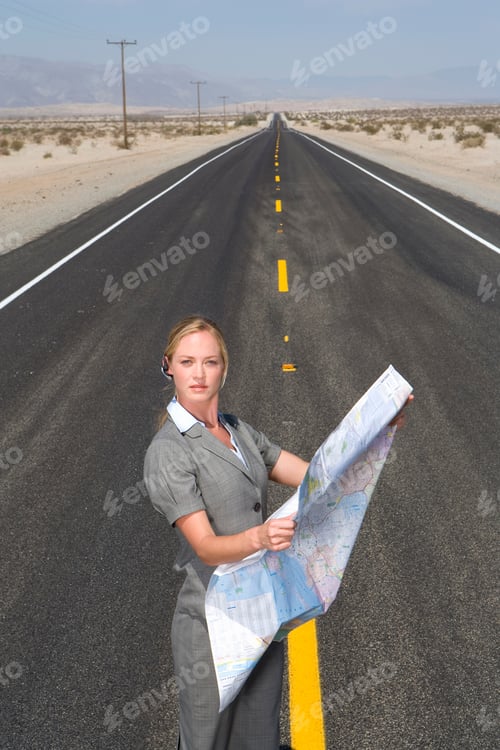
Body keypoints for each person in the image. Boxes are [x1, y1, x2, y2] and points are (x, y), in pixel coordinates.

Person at [144, 315, 411, 750]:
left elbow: (317, 479)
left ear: (223, 369)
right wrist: (261, 538)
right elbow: (206, 547)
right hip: (212, 627)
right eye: (187, 361)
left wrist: (378, 431)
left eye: (209, 362)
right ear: (168, 366)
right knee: (206, 741)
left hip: (262, 616)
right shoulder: (169, 452)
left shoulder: (238, 431)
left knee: (257, 738)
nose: (198, 373)